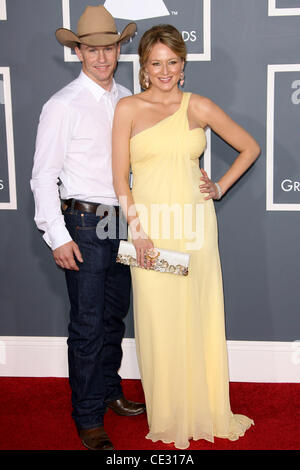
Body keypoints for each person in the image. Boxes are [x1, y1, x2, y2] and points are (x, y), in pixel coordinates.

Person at [112, 24, 260, 449]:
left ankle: (204, 407)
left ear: (183, 66)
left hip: (194, 228)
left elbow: (249, 147)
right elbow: (120, 178)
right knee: (157, 320)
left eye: (172, 62)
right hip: (150, 232)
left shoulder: (199, 107)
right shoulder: (128, 109)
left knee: (197, 316)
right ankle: (170, 414)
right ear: (143, 68)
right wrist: (136, 231)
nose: (164, 70)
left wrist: (219, 187)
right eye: (155, 63)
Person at [30, 5, 146, 451]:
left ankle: (109, 389)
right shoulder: (62, 105)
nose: (102, 57)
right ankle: (87, 415)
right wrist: (56, 235)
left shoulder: (127, 99)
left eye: (109, 48)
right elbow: (43, 175)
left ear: (120, 49)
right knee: (88, 323)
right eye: (91, 49)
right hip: (83, 222)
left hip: (123, 220)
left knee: (115, 316)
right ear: (78, 51)